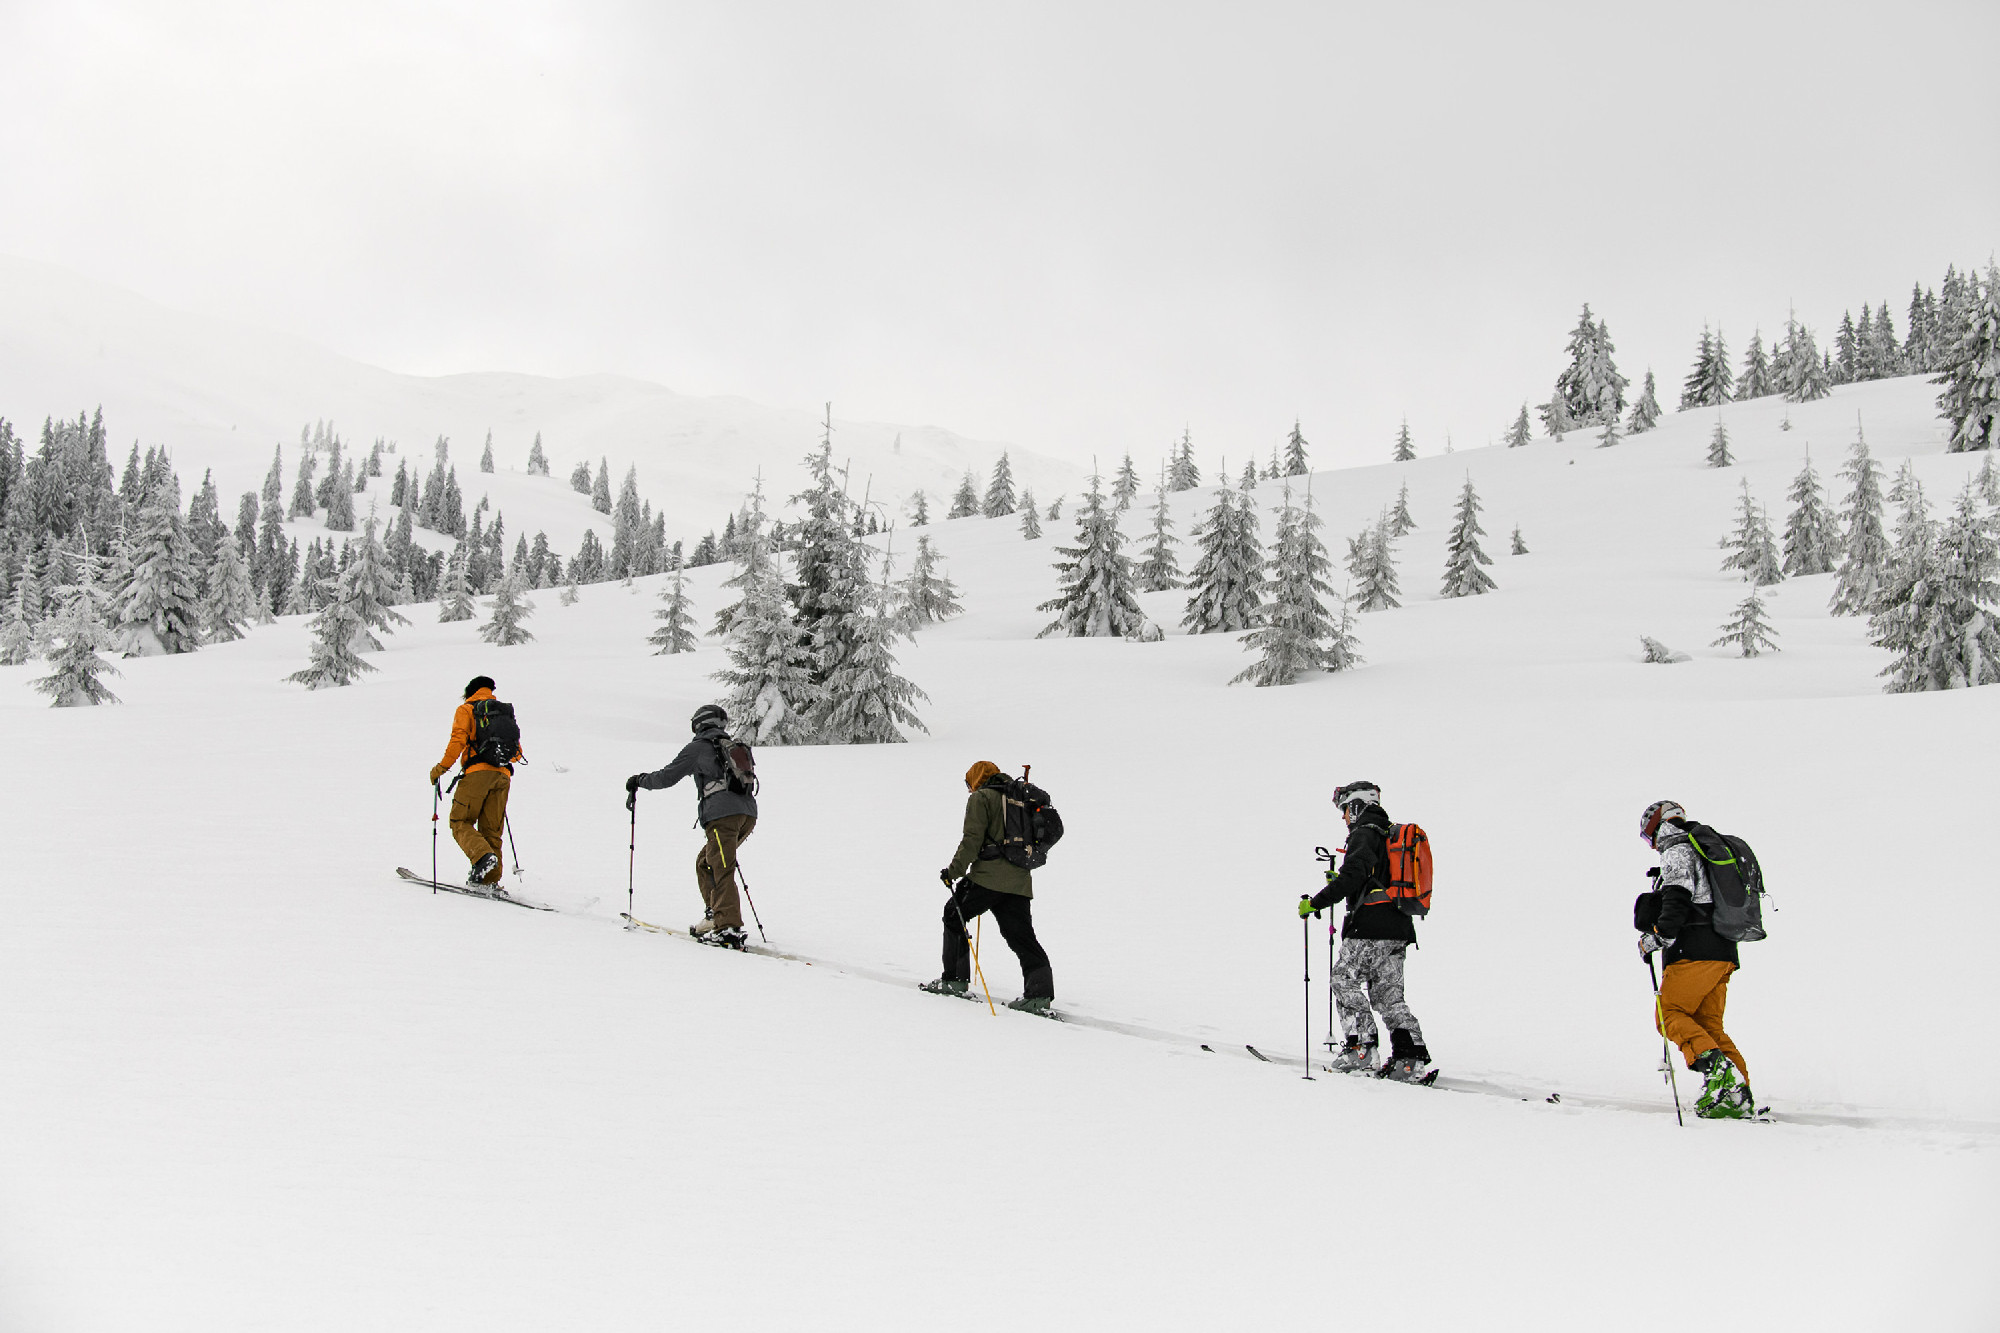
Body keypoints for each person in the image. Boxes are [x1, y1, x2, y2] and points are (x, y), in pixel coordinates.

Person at [1300, 780, 1432, 1082]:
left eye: (1345, 809)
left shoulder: (1364, 831)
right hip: (1399, 926)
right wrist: (1347, 883)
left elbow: (1355, 871)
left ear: (1356, 805)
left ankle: (1361, 1049)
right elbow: (1369, 875)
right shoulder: (1388, 832)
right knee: (1389, 995)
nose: (1344, 817)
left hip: (1369, 927)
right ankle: (1409, 1058)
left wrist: (1317, 902)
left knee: (1343, 979)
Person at [1636, 799, 1754, 1120]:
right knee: (1707, 1024)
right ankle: (1737, 1095)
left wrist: (1658, 935)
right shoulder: (1704, 847)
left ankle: (1721, 1077)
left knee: (1669, 1013)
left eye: (1648, 838)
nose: (1651, 844)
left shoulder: (1676, 847)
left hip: (1694, 950)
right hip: (1724, 951)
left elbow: (1678, 895)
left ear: (1654, 827)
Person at [923, 760, 1054, 1014]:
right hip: (1019, 880)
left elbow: (972, 840)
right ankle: (1039, 995)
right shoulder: (1019, 797)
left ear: (977, 778)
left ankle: (954, 981)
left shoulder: (981, 798)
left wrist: (953, 872)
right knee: (1021, 936)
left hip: (988, 877)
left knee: (953, 915)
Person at [625, 704, 757, 947]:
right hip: (746, 814)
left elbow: (667, 777)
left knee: (721, 867)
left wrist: (639, 781)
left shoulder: (699, 748)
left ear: (699, 724)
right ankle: (715, 916)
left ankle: (728, 929)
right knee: (706, 862)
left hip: (722, 816)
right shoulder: (733, 747)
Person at [428, 675, 524, 891]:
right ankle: (489, 881)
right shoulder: (503, 714)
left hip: (476, 775)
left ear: (469, 691)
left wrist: (440, 768)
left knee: (460, 821)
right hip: (503, 777)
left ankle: (482, 857)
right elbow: (517, 754)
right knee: (492, 830)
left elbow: (458, 741)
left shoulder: (467, 709)